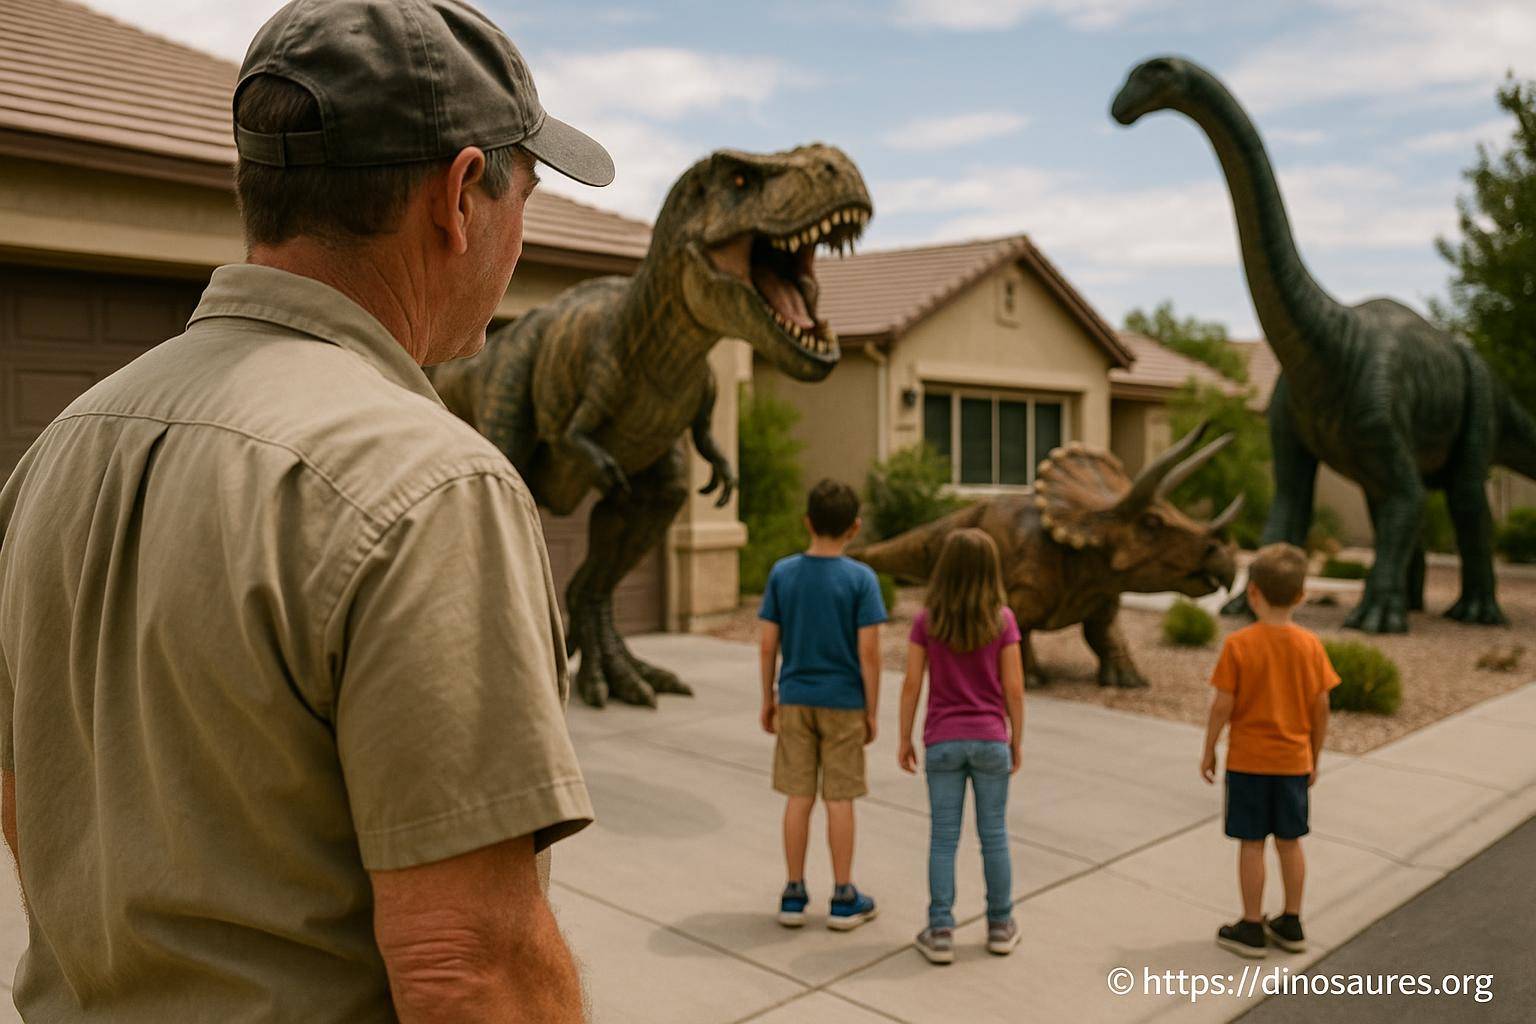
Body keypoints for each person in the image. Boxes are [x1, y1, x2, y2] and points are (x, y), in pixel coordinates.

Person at [0, 1, 616, 1020]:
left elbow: (30, 797)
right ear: (461, 196)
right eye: (527, 200)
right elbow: (472, 969)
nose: (517, 247)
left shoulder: (58, 451)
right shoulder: (427, 485)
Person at [1200, 543, 1340, 959]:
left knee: (1252, 844)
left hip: (1248, 763)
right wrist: (1314, 755)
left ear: (1253, 593)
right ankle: (1293, 920)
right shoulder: (1311, 646)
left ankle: (1251, 925)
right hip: (1293, 762)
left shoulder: (1239, 645)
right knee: (1290, 842)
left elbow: (1222, 704)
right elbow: (1321, 708)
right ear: (1300, 595)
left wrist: (1209, 748)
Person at [758, 479, 886, 930]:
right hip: (844, 703)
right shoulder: (861, 580)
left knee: (798, 796)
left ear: (807, 522)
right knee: (839, 798)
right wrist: (872, 710)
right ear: (854, 528)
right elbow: (869, 654)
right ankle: (843, 895)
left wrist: (768, 697)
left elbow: (767, 644)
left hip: (794, 698)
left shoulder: (782, 573)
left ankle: (793, 892)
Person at [896, 529, 1026, 964]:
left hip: (943, 741)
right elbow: (1015, 688)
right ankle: (1001, 925)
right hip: (991, 739)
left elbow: (912, 683)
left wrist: (904, 736)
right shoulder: (1003, 620)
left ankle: (940, 930)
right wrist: (1017, 740)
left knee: (943, 838)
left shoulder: (927, 620)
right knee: (994, 836)